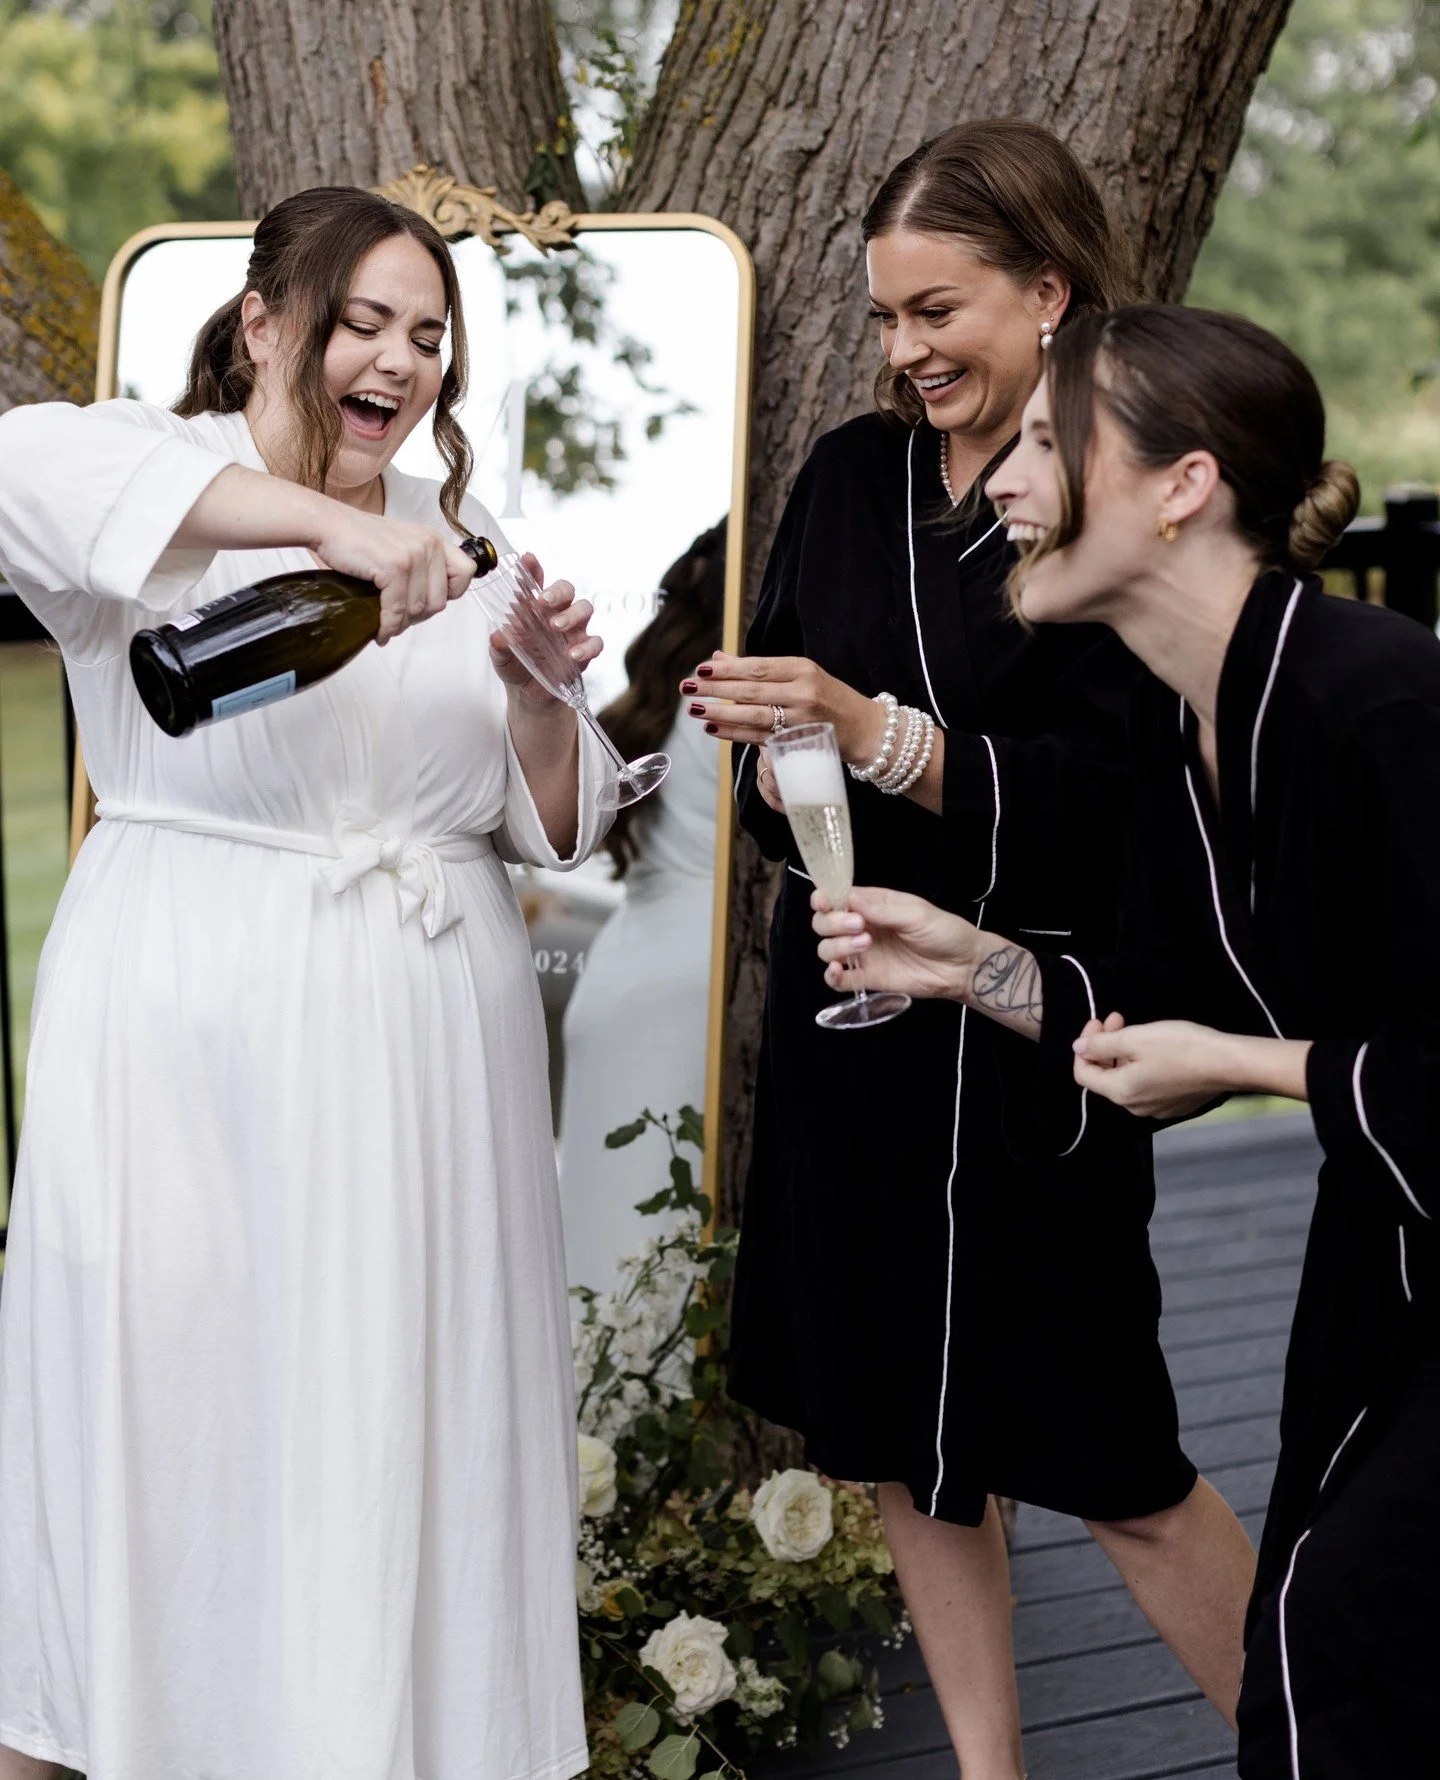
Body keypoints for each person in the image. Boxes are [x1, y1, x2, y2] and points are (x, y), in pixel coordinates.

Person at [0, 186, 608, 1780]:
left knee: (403, 1432)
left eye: (429, 336)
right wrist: (332, 530)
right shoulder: (149, 476)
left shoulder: (461, 539)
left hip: (429, 1068)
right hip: (195, 1053)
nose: (400, 361)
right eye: (364, 322)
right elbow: (13, 467)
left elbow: (549, 823)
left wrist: (542, 699)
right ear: (266, 324)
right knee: (189, 1424)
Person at [683, 121, 1255, 1773]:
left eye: (938, 310)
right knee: (894, 1439)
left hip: (1026, 1050)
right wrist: (780, 758)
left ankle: (1312, 1744)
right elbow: (787, 711)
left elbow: (1124, 807)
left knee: (1119, 1462)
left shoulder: (1117, 495)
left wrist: (881, 735)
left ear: (1048, 293)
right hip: (853, 1032)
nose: (906, 350)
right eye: (888, 316)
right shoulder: (848, 480)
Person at [813, 303, 1440, 1776]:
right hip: (1388, 1256)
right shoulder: (1184, 727)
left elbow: (1239, 1051)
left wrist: (1244, 1069)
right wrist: (973, 967)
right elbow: (1162, 1007)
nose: (1005, 483)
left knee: (1333, 1645)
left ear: (1182, 486)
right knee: (1318, 1652)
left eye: (1048, 442)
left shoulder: (1386, 701)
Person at [558, 522, 725, 1294]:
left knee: (605, 1236)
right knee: (666, 1237)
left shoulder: (659, 703)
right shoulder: (737, 704)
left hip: (616, 980)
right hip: (695, 988)